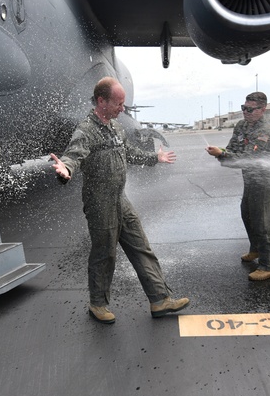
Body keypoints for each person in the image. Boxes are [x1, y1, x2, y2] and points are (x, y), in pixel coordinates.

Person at [50, 77, 190, 324]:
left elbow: (130, 153)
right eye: (118, 103)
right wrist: (67, 170)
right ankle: (98, 304)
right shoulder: (86, 130)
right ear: (101, 101)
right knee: (105, 254)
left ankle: (159, 299)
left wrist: (154, 158)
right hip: (99, 202)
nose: (122, 108)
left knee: (141, 246)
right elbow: (73, 156)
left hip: (119, 199)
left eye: (123, 103)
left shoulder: (116, 128)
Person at [206, 92, 270, 281]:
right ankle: (255, 249)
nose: (245, 112)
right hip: (250, 181)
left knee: (264, 223)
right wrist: (221, 151)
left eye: (250, 109)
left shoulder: (265, 133)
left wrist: (221, 155)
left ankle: (268, 265)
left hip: (264, 182)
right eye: (243, 108)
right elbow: (234, 149)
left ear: (262, 110)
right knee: (247, 214)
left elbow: (248, 160)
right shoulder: (241, 126)